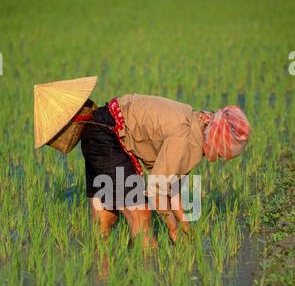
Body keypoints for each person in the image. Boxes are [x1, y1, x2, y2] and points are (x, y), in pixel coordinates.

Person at [34, 76, 251, 247]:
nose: (217, 157)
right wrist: (173, 228)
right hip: (108, 137)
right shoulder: (185, 138)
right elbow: (158, 189)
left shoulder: (191, 119)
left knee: (106, 218)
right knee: (141, 219)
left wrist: (184, 224)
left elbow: (171, 185)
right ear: (216, 138)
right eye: (221, 152)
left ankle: (100, 277)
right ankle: (146, 274)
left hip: (98, 130)